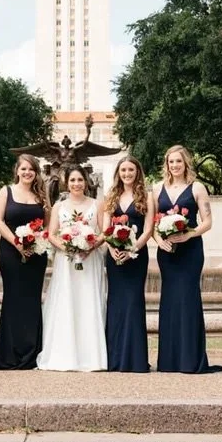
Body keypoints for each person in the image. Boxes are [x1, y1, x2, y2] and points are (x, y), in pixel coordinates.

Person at [151, 144, 222, 374]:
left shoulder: (197, 188)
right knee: (170, 302)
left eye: (178, 162)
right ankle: (170, 361)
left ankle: (190, 359)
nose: (174, 165)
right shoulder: (156, 188)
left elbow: (207, 221)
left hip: (190, 251)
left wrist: (187, 235)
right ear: (167, 164)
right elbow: (152, 222)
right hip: (167, 253)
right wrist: (158, 240)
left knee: (188, 300)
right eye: (171, 162)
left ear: (186, 164)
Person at [37, 165, 107, 372]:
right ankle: (64, 354)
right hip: (66, 262)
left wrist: (89, 246)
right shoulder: (59, 206)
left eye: (80, 180)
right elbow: (51, 234)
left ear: (86, 182)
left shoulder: (98, 204)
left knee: (88, 301)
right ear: (67, 183)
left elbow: (104, 232)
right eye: (73, 180)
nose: (77, 184)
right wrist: (69, 248)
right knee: (67, 302)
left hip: (90, 259)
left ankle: (91, 356)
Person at [0, 154, 50, 369]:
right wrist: (17, 243)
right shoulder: (6, 192)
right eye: (24, 169)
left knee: (32, 300)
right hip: (11, 252)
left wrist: (36, 243)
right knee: (13, 298)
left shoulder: (41, 195)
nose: (27, 173)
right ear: (17, 171)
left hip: (36, 255)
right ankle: (10, 354)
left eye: (31, 169)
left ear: (36, 172)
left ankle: (32, 353)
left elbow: (47, 226)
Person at [100, 155, 153, 373]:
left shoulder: (147, 196)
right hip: (114, 257)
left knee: (133, 303)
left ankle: (135, 359)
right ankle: (115, 358)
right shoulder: (110, 196)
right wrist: (112, 250)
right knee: (116, 304)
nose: (127, 174)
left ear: (137, 172)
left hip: (137, 256)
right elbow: (105, 229)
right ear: (118, 173)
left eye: (131, 170)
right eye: (123, 171)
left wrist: (131, 250)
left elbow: (148, 229)